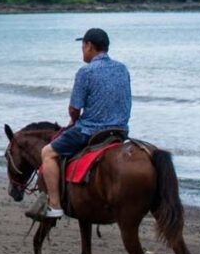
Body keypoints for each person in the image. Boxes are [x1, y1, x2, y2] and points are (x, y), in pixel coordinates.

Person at [29, 28, 131, 219]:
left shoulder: (85, 72)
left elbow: (74, 108)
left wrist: (74, 120)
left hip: (91, 131)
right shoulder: (122, 68)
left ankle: (55, 204)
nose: (82, 50)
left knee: (48, 153)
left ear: (89, 46)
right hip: (119, 131)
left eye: (83, 46)